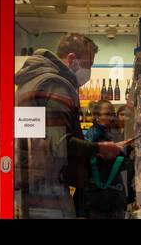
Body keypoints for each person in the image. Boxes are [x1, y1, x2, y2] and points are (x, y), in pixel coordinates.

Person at [13, 33, 126, 218]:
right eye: (89, 64)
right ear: (72, 59)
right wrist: (99, 148)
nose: (89, 71)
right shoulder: (56, 85)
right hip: (49, 188)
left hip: (29, 184)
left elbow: (37, 138)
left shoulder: (32, 81)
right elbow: (58, 145)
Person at [79, 99, 134, 218]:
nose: (112, 118)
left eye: (113, 114)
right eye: (107, 114)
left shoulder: (107, 133)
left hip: (104, 194)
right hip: (100, 196)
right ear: (97, 116)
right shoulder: (95, 135)